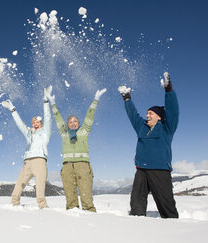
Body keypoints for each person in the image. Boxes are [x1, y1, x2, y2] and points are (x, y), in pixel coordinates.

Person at [118, 72, 179, 218]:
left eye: (151, 113)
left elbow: (173, 111)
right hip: (141, 170)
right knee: (136, 203)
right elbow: (133, 115)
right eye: (147, 113)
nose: (147, 115)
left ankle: (173, 225)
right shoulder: (142, 127)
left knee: (166, 204)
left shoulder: (166, 128)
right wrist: (127, 99)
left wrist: (169, 90)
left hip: (160, 170)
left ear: (159, 116)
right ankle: (138, 227)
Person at [47, 87, 107, 212]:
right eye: (70, 122)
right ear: (67, 124)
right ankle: (73, 222)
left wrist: (95, 100)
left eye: (75, 121)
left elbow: (89, 116)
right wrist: (53, 104)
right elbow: (58, 119)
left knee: (86, 197)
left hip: (83, 166)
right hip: (67, 167)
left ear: (79, 123)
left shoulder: (84, 131)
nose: (73, 123)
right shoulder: (64, 133)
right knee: (70, 198)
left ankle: (91, 219)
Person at [1, 86, 52, 209]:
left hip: (39, 161)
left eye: (37, 122)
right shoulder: (29, 134)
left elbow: (48, 118)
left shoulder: (46, 133)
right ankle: (14, 206)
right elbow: (19, 123)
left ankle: (44, 210)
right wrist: (13, 109)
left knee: (40, 189)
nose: (35, 123)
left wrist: (45, 101)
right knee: (19, 185)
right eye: (33, 122)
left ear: (41, 123)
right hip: (27, 161)